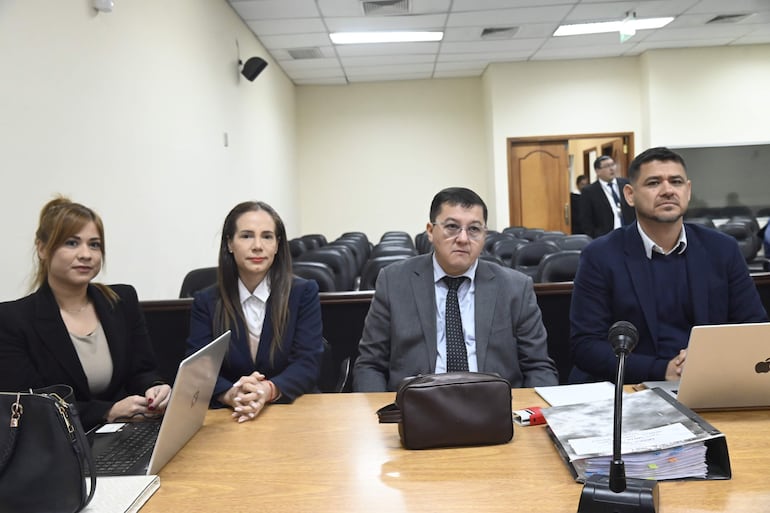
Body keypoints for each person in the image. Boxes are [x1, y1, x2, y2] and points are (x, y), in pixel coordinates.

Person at [569, 147, 768, 384]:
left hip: (710, 381)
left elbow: (753, 328)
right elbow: (586, 345)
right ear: (630, 195)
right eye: (654, 183)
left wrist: (704, 362)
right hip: (633, 386)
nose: (667, 190)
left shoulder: (722, 249)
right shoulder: (600, 256)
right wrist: (662, 369)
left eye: (676, 182)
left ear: (688, 190)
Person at [353, 187, 559, 392]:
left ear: (484, 236)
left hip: (494, 410)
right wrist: (380, 419)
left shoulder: (515, 287)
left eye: (474, 229)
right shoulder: (394, 281)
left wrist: (531, 416)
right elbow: (370, 365)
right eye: (452, 227)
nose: (462, 238)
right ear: (431, 231)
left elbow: (538, 367)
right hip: (416, 410)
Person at [0, 197, 170, 430]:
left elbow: (142, 371)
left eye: (94, 244)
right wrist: (107, 412)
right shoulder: (13, 319)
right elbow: (33, 407)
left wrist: (155, 388)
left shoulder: (122, 300)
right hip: (58, 447)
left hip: (125, 435)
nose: (86, 254)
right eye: (71, 243)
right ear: (42, 248)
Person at [186, 201, 323, 423]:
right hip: (230, 414)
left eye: (267, 236)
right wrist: (231, 394)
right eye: (247, 236)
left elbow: (307, 363)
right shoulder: (207, 300)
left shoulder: (303, 292)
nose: (258, 246)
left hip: (290, 410)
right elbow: (199, 368)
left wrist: (267, 390)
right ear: (230, 243)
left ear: (278, 244)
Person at [579, 155, 636, 238]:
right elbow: (585, 219)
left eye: (613, 164)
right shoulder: (589, 191)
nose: (611, 168)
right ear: (597, 171)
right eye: (607, 166)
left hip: (630, 233)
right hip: (606, 236)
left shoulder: (626, 184)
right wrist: (595, 237)